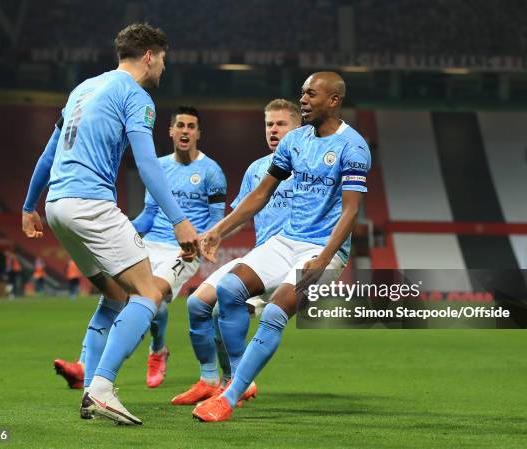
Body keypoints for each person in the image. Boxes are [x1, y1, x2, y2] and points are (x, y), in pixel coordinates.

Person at [21, 23, 199, 425]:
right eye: (164, 60)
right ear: (150, 55)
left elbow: (50, 151)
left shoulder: (82, 88)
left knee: (117, 296)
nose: (164, 69)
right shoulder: (136, 97)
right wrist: (180, 221)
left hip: (58, 206)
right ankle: (102, 389)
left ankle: (89, 389)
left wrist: (30, 205)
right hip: (90, 204)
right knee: (149, 294)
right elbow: (148, 163)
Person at [192, 72, 371, 422]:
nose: (303, 99)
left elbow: (351, 210)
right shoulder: (295, 141)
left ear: (334, 100)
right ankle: (240, 379)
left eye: (311, 94)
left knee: (274, 312)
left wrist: (324, 257)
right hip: (285, 240)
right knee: (228, 289)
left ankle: (228, 398)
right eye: (301, 92)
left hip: (323, 248)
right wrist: (219, 231)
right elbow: (261, 193)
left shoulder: (354, 146)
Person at [53, 106, 226, 390]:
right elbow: (147, 216)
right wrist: (116, 233)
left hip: (182, 251)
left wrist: (200, 243)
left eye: (191, 126)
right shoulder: (158, 167)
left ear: (198, 134)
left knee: (148, 296)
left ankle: (109, 370)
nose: (185, 131)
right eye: (180, 125)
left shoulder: (211, 172)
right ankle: (95, 361)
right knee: (118, 296)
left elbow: (217, 223)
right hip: (149, 244)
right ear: (170, 131)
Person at [170, 99, 300, 406]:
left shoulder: (309, 170)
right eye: (269, 124)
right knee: (197, 304)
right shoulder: (257, 170)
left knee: (220, 309)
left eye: (281, 124)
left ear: (298, 128)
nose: (273, 130)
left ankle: (238, 381)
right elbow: (242, 212)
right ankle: (208, 379)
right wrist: (212, 236)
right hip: (260, 256)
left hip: (289, 261)